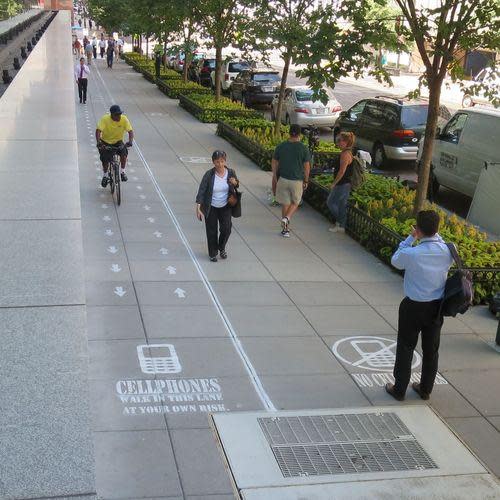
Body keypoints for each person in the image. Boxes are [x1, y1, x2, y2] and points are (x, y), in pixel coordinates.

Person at [385, 210, 453, 402]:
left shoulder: (412, 253)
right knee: (431, 350)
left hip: (412, 307)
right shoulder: (448, 250)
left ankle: (399, 390)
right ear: (438, 228)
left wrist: (410, 238)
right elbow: (439, 242)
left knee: (406, 347)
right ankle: (425, 390)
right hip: (436, 308)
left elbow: (395, 261)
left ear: (418, 229)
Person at [196, 151, 239, 262]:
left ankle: (221, 247)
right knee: (211, 231)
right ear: (213, 162)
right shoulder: (209, 175)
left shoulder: (230, 172)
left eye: (222, 161)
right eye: (217, 162)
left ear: (225, 161)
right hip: (211, 206)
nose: (220, 164)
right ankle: (213, 253)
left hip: (225, 206)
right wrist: (198, 207)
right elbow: (202, 190)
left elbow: (236, 184)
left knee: (226, 229)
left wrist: (235, 182)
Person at [271, 124, 311, 237]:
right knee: (296, 202)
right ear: (300, 134)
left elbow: (274, 161)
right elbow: (307, 167)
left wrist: (274, 175)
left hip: (283, 179)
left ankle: (285, 230)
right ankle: (287, 218)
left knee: (285, 203)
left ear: (289, 133)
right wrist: (306, 180)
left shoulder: (281, 146)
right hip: (297, 181)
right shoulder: (303, 148)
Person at [96, 105, 134, 187]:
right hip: (105, 142)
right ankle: (105, 175)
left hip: (118, 141)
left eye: (120, 114)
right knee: (105, 159)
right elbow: (98, 131)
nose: (119, 116)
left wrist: (130, 142)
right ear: (112, 115)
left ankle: (123, 172)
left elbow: (130, 131)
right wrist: (99, 142)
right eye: (117, 115)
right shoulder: (105, 119)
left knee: (124, 154)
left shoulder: (124, 119)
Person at [327, 131, 355, 233]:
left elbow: (342, 171)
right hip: (345, 184)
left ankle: (340, 222)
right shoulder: (346, 153)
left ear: (345, 142)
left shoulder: (345, 154)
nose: (338, 143)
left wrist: (334, 183)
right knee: (341, 204)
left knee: (331, 202)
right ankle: (341, 225)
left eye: (339, 141)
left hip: (342, 184)